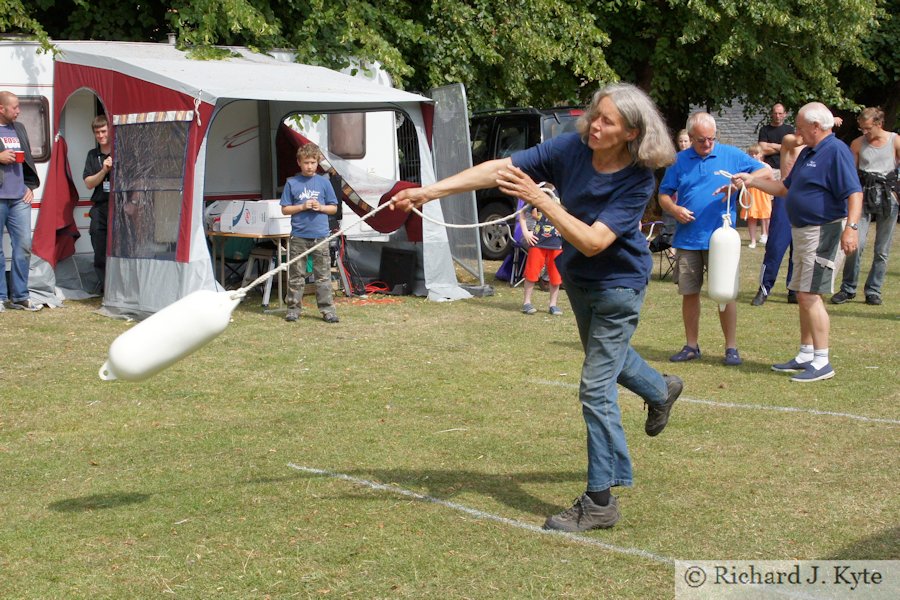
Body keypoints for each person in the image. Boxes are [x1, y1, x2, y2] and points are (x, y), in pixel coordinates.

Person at [392, 83, 683, 532]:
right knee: (611, 361)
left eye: (607, 120)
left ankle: (601, 500)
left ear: (632, 132)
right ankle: (660, 390)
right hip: (581, 282)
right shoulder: (571, 148)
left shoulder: (638, 179)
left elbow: (592, 241)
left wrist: (542, 199)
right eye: (594, 114)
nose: (593, 124)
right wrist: (428, 193)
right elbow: (498, 169)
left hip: (619, 286)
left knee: (595, 386)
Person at [729, 103, 862, 382]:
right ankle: (805, 354)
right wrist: (751, 181)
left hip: (823, 230)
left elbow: (854, 192)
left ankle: (822, 361)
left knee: (810, 294)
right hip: (803, 231)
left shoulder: (835, 151)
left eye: (800, 126)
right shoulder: (808, 152)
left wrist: (851, 228)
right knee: (803, 292)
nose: (796, 132)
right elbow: (784, 188)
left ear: (816, 126)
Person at [658, 112, 770, 366]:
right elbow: (663, 194)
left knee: (726, 294)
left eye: (711, 139)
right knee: (689, 293)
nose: (707, 144)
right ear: (690, 137)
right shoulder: (678, 160)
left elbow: (767, 172)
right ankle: (691, 346)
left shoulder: (731, 155)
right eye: (701, 140)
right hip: (688, 239)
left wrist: (740, 184)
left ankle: (731, 348)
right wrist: (675, 210)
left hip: (722, 240)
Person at [831, 107, 899, 306]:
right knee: (854, 245)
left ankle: (873, 290)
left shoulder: (895, 140)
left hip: (889, 197)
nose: (865, 133)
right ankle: (848, 288)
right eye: (862, 129)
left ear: (879, 124)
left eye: (868, 128)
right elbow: (851, 175)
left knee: (882, 249)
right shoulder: (857, 144)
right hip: (863, 196)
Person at [280, 143, 339, 323]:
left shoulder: (324, 182)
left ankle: (327, 310)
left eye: (313, 162)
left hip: (320, 235)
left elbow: (333, 208)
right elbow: (285, 209)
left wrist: (320, 207)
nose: (310, 166)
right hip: (299, 236)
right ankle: (293, 310)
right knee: (296, 275)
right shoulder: (292, 183)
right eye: (306, 162)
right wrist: (302, 206)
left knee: (323, 276)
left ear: (318, 163)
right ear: (299, 162)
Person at [0, 91, 41, 311]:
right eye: (14, 107)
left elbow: (27, 159)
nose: (18, 111)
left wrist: (30, 185)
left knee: (24, 245)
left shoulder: (20, 128)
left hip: (19, 198)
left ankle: (20, 296)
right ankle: (0, 297)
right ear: (1, 108)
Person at [518, 184, 563, 315]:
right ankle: (527, 302)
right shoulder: (538, 190)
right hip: (538, 242)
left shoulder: (563, 190)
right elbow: (522, 213)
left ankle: (553, 305)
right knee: (531, 273)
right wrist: (526, 232)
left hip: (557, 243)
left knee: (555, 276)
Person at [83, 115, 112, 293]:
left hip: (120, 207)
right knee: (99, 249)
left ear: (110, 131)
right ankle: (104, 287)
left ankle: (119, 286)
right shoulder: (93, 155)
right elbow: (89, 183)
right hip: (100, 207)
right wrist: (104, 170)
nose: (100, 136)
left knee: (119, 249)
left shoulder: (121, 151)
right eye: (97, 133)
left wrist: (132, 203)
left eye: (103, 131)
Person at [742, 144, 773, 248]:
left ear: (761, 155)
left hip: (763, 193)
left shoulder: (766, 166)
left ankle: (766, 235)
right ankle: (753, 240)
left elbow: (771, 180)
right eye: (751, 154)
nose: (753, 156)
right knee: (751, 217)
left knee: (766, 215)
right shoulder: (746, 167)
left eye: (756, 154)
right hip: (751, 194)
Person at [757, 103, 793, 171]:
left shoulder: (789, 129)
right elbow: (763, 150)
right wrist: (784, 148)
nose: (777, 116)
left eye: (780, 113)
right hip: (769, 168)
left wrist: (771, 145)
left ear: (785, 114)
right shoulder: (764, 130)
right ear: (771, 114)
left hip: (786, 168)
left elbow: (791, 149)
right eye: (775, 113)